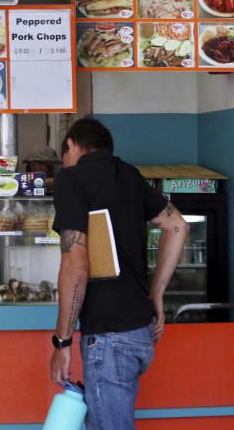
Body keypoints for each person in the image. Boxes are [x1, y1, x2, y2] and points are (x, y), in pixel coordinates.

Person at [48, 117, 188, 430]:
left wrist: (63, 342)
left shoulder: (72, 179)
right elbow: (178, 225)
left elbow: (75, 265)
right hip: (140, 332)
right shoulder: (130, 175)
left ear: (71, 145)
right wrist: (157, 294)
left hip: (109, 338)